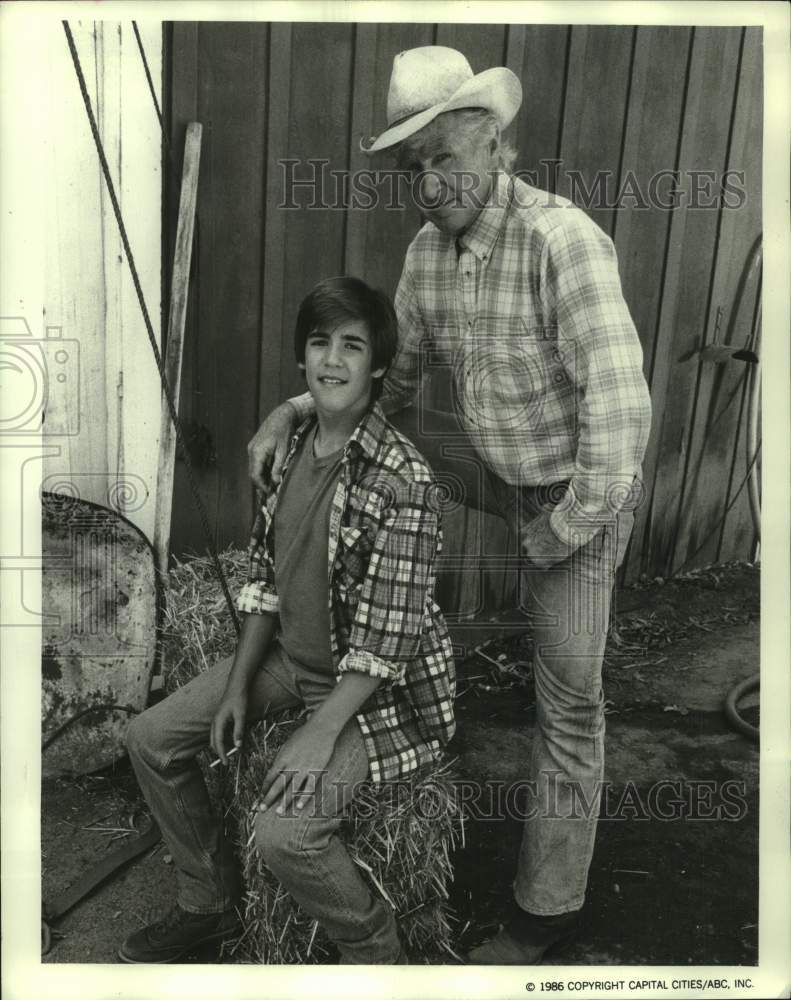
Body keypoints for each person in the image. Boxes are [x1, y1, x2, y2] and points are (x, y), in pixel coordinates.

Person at [247, 47, 652, 964]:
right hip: (493, 461)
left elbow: (622, 420)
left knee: (569, 698)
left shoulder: (562, 241)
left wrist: (561, 530)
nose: (431, 184)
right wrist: (295, 409)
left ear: (494, 143)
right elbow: (384, 383)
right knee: (380, 439)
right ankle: (332, 613)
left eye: (445, 158)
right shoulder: (428, 253)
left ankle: (547, 911)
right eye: (413, 168)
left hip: (576, 481)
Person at [120, 276, 455, 965]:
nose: (333, 359)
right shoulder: (290, 445)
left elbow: (386, 641)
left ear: (380, 365)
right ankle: (206, 906)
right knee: (150, 737)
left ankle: (379, 957)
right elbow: (267, 583)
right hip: (294, 660)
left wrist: (316, 735)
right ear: (302, 359)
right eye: (319, 342)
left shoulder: (404, 482)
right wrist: (239, 685)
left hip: (373, 694)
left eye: (352, 346)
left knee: (283, 833)